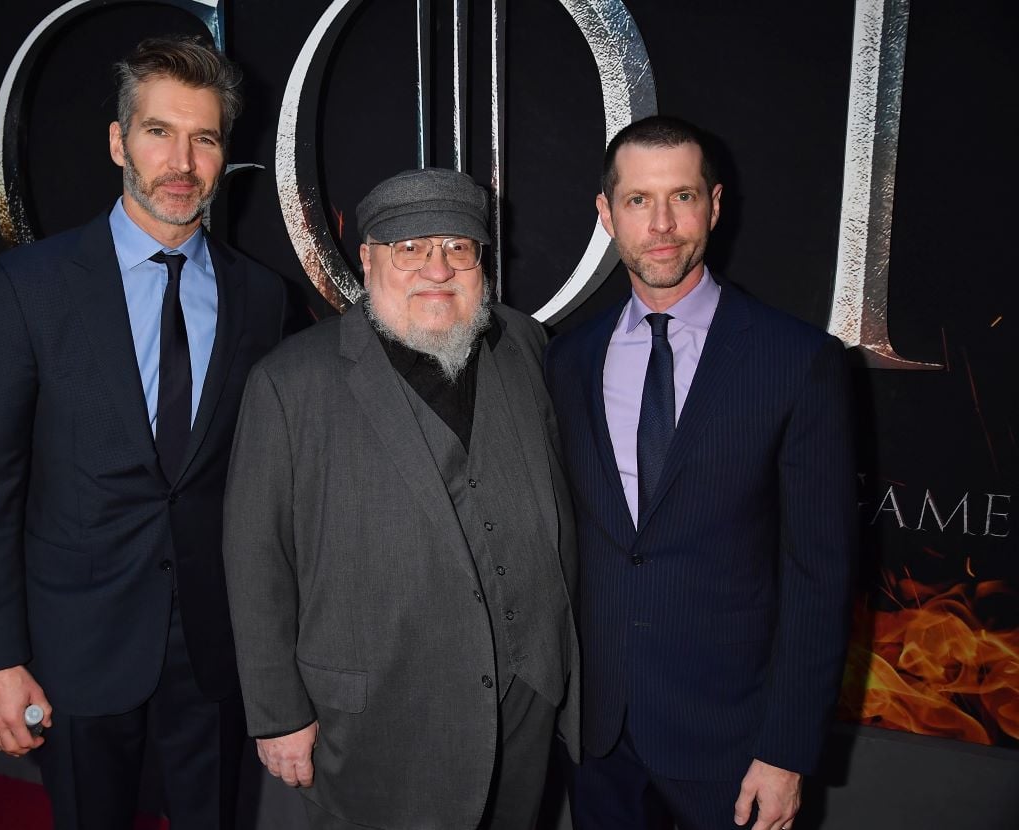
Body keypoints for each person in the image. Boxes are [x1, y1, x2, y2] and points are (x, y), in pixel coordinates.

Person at [0, 34, 286, 829]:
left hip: (214, 649)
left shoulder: (260, 298)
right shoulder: (28, 288)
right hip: (75, 648)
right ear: (117, 141)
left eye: (203, 138)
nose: (182, 160)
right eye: (158, 131)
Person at [222, 167, 580, 829]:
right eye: (409, 249)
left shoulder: (523, 344)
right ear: (366, 258)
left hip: (525, 701)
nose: (435, 269)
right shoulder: (289, 381)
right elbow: (255, 557)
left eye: (457, 248)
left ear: (482, 261)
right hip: (379, 718)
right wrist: (278, 712)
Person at [544, 115, 855, 830]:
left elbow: (820, 573)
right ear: (606, 213)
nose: (661, 225)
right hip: (598, 737)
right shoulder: (566, 361)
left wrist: (787, 752)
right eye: (638, 200)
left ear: (714, 205)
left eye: (682, 197)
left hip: (736, 743)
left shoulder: (795, 361)